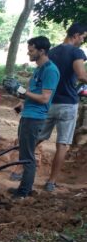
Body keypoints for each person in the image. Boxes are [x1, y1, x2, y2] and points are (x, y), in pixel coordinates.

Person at [4, 36, 60, 199]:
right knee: (24, 153)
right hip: (28, 114)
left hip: (35, 118)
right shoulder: (38, 68)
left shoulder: (50, 70)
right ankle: (24, 188)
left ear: (42, 51)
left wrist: (22, 91)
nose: (28, 53)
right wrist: (21, 102)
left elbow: (44, 98)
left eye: (31, 50)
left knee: (28, 156)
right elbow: (34, 93)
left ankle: (24, 192)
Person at [37, 23, 87, 191]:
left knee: (37, 137)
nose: (83, 40)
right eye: (83, 37)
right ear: (76, 35)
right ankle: (51, 182)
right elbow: (81, 74)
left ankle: (18, 170)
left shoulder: (51, 52)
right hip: (67, 103)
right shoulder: (76, 52)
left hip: (48, 101)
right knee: (62, 144)